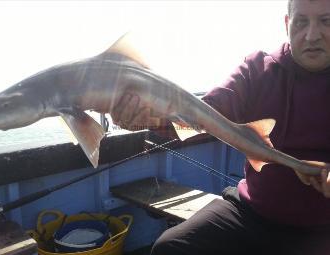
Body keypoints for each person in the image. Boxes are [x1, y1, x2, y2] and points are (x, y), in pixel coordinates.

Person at [111, 0, 330, 254]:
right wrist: (147, 118)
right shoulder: (258, 68)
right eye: (301, 21)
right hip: (251, 213)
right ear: (286, 23)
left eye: (326, 21)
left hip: (322, 228)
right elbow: (205, 114)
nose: (312, 34)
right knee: (169, 248)